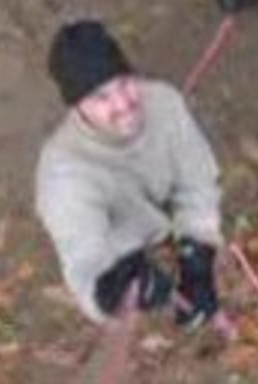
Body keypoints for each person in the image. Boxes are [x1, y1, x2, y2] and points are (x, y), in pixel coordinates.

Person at [35, 20, 223, 328]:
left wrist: (197, 253)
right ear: (77, 106)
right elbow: (84, 263)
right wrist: (112, 291)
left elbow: (198, 181)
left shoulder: (163, 102)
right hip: (121, 251)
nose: (123, 104)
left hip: (160, 222)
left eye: (124, 83)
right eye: (101, 97)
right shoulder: (64, 177)